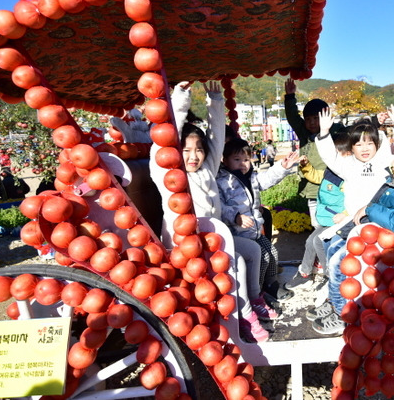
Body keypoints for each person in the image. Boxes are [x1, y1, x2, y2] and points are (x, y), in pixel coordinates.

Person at [150, 81, 274, 343]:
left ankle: (254, 299)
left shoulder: (207, 169)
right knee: (237, 261)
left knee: (252, 251)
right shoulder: (168, 174)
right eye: (185, 150)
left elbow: (217, 135)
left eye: (198, 150)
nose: (192, 156)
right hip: (185, 246)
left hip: (215, 239)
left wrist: (216, 99)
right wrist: (181, 95)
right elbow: (163, 137)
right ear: (174, 152)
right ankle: (245, 317)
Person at [307, 104, 394, 335]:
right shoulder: (348, 166)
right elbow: (329, 156)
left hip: (374, 227)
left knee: (338, 263)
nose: (364, 148)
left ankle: (340, 313)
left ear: (377, 144)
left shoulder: (385, 162)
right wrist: (324, 133)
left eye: (369, 143)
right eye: (358, 143)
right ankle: (335, 297)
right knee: (328, 246)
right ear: (352, 147)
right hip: (353, 226)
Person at [217, 138, 300, 304]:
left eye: (246, 160)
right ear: (224, 160)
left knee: (272, 253)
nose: (243, 164)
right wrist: (236, 217)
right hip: (238, 233)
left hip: (254, 231)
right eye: (237, 159)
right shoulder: (222, 181)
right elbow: (219, 206)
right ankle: (256, 289)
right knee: (262, 259)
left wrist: (282, 168)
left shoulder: (251, 178)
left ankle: (271, 283)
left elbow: (267, 178)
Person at [284, 131, 351, 291]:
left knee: (318, 241)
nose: (335, 159)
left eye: (340, 155)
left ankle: (331, 276)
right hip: (326, 219)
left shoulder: (348, 177)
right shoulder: (329, 172)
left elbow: (356, 201)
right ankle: (305, 273)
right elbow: (314, 176)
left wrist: (346, 215)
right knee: (310, 241)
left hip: (339, 221)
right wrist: (306, 165)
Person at [284, 78, 345, 229]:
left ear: (326, 116)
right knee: (316, 223)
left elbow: (356, 133)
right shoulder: (304, 133)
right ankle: (320, 248)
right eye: (308, 119)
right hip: (313, 189)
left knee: (334, 222)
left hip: (333, 185)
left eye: (316, 118)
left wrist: (375, 121)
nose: (311, 122)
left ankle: (329, 247)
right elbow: (292, 117)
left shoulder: (337, 130)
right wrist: (290, 97)